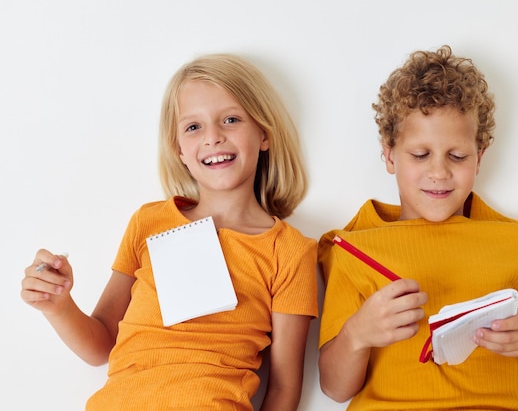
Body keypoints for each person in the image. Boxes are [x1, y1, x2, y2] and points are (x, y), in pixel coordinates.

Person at [21, 53, 318, 411]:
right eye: (194, 127)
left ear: (264, 134)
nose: (213, 137)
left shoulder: (290, 250)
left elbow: (284, 388)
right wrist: (58, 305)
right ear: (178, 148)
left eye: (231, 119)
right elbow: (101, 345)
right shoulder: (149, 223)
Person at [317, 45, 518, 410]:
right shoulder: (352, 248)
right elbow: (334, 388)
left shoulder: (517, 240)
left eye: (457, 156)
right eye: (420, 155)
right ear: (390, 155)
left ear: (479, 158)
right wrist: (357, 334)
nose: (439, 172)